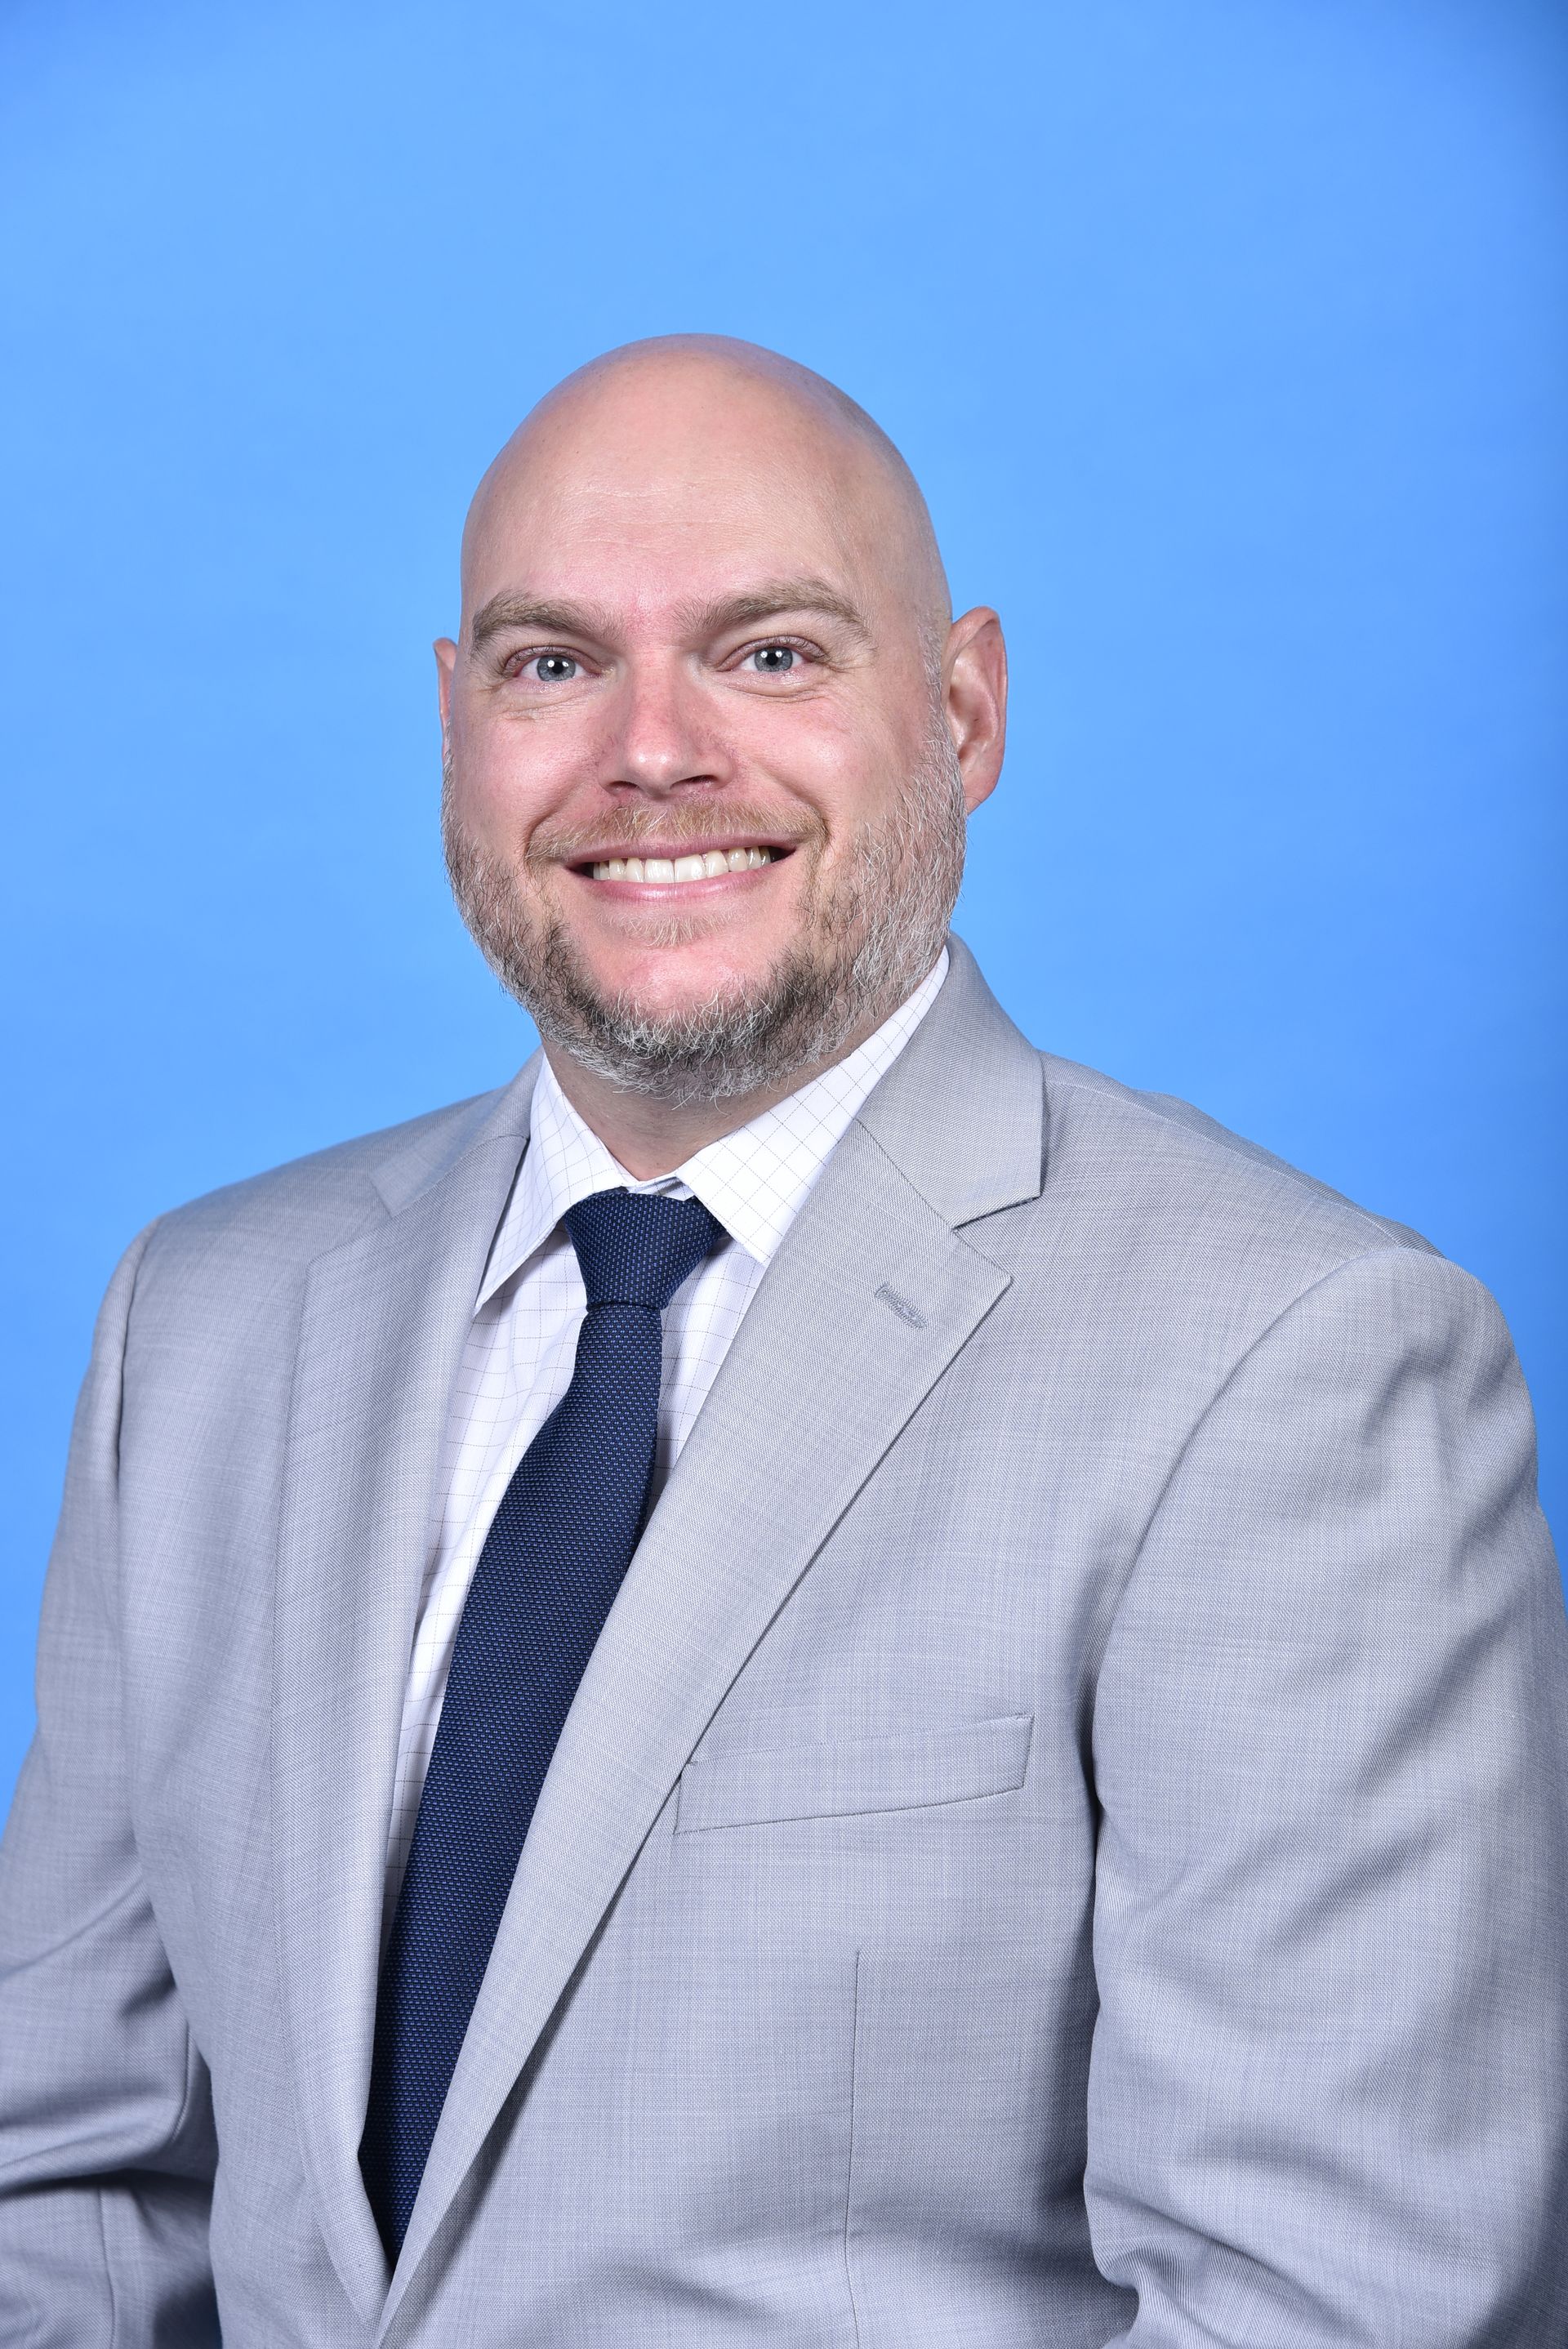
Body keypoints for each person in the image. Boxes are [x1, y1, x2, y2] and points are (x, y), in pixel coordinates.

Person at [2, 335, 1565, 2347]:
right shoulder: (202, 1327)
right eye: (551, 663)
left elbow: (1340, 2304)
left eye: (771, 654)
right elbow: (67, 2177)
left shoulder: (1293, 1363)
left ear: (967, 707)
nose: (651, 752)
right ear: (455, 722)